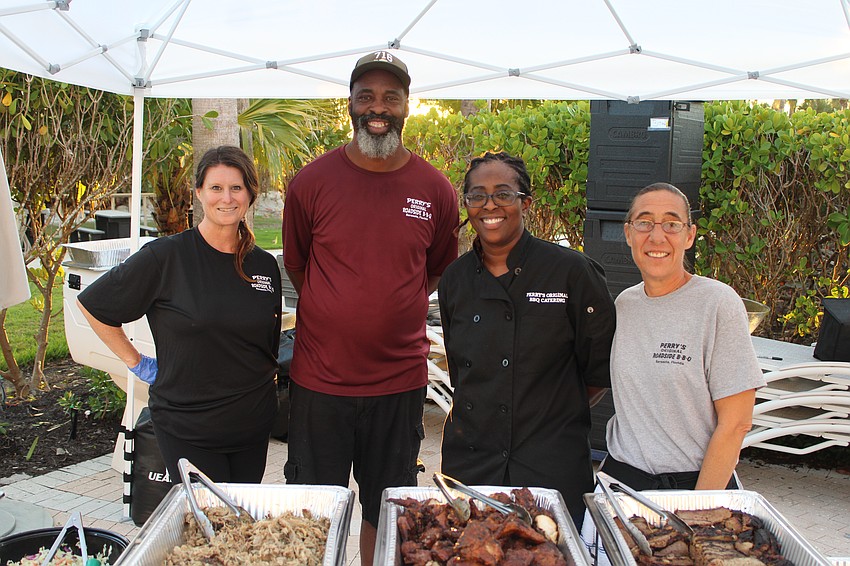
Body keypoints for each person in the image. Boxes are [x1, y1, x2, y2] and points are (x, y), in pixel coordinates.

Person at [281, 50, 459, 564]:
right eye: (366, 96)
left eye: (390, 97)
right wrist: (337, 304)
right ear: (351, 104)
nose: (377, 107)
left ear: (407, 106)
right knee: (316, 509)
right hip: (320, 383)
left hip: (399, 383)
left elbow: (436, 267)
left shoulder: (435, 189)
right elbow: (298, 264)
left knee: (389, 511)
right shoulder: (311, 182)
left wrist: (388, 303)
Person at [581, 182, 766, 563]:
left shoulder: (717, 303)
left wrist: (696, 517)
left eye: (671, 223)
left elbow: (736, 423)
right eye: (644, 222)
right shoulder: (625, 303)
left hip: (696, 489)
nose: (657, 235)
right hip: (621, 487)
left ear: (690, 235)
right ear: (628, 233)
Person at [77, 145, 282, 484]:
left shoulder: (263, 265)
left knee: (243, 525)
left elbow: (267, 344)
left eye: (237, 187)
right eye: (216, 187)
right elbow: (95, 305)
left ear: (250, 194)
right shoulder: (165, 257)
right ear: (199, 192)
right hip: (189, 426)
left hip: (252, 423)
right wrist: (136, 362)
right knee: (207, 527)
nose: (226, 198)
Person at [438, 151, 616, 529]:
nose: (490, 205)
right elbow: (462, 375)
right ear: (466, 204)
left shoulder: (572, 273)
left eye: (503, 194)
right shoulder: (454, 280)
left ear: (526, 203)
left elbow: (599, 370)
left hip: (551, 463)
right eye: (477, 195)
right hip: (472, 461)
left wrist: (548, 410)